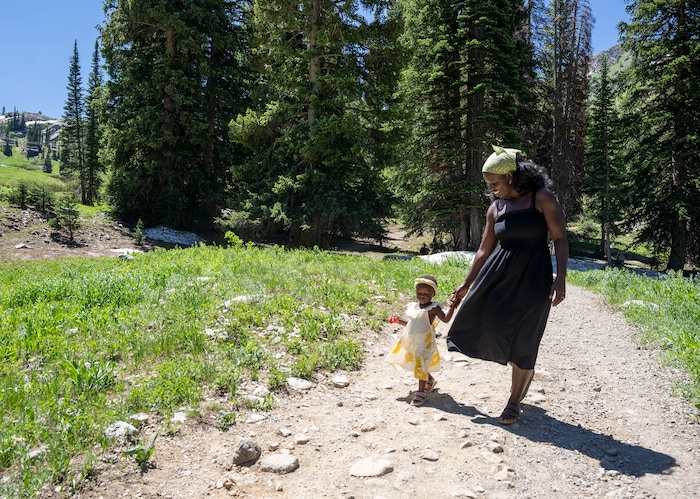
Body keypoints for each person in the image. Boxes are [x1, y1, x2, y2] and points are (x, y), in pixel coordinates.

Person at [446, 145, 568, 425]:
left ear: (511, 176)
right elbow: (483, 251)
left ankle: (514, 402)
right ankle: (521, 376)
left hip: (535, 277)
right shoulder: (495, 208)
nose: (492, 189)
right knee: (488, 322)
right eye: (489, 185)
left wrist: (560, 278)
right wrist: (466, 285)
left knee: (526, 338)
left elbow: (560, 238)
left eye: (495, 183)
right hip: (499, 276)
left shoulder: (541, 198)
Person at [386, 275, 457, 406]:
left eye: (427, 293)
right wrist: (398, 321)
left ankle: (421, 392)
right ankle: (429, 379)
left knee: (420, 364)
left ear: (433, 293)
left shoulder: (434, 308)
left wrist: (452, 306)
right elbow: (412, 323)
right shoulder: (414, 307)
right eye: (419, 292)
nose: (422, 295)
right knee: (417, 363)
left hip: (425, 342)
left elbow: (446, 319)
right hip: (412, 341)